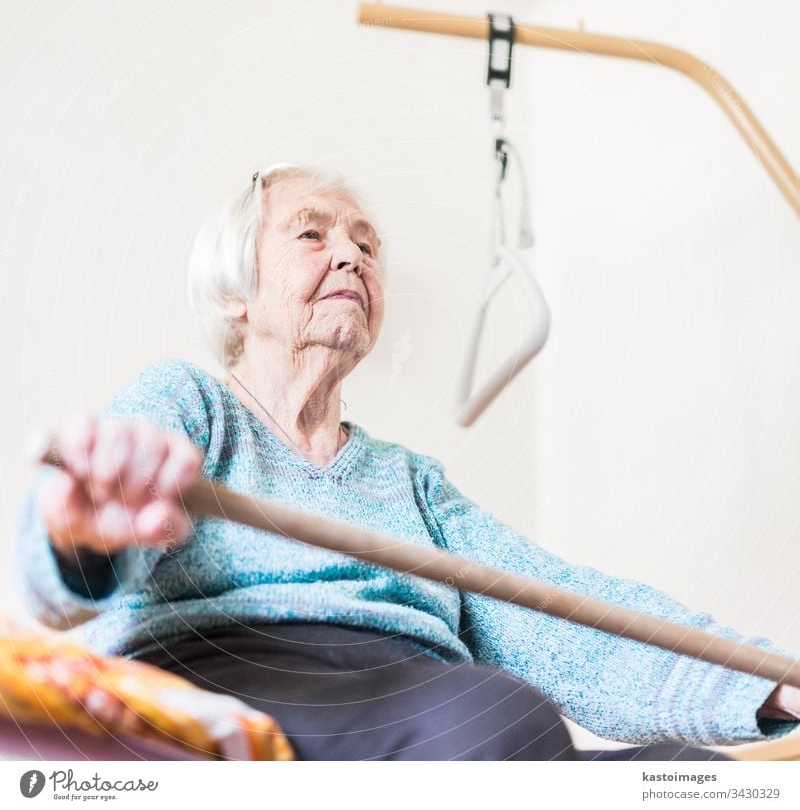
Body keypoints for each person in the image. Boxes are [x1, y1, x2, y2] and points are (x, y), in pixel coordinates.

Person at [15, 163, 800, 761]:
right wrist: (83, 536)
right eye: (312, 234)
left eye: (367, 244)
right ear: (235, 290)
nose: (352, 256)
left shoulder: (411, 481)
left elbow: (562, 615)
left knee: (688, 776)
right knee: (496, 718)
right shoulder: (187, 401)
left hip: (435, 704)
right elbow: (76, 545)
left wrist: (763, 679)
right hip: (229, 680)